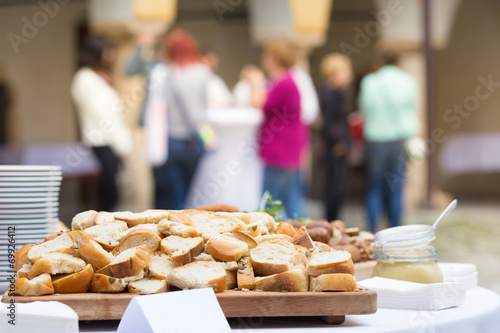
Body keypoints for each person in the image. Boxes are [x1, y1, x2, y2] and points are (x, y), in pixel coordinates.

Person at [359, 50, 419, 233]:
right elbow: (412, 107)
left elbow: (364, 108)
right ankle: (395, 230)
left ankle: (371, 229)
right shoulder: (408, 80)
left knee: (374, 186)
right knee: (396, 187)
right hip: (399, 139)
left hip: (376, 138)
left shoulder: (370, 81)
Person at [71, 35, 133, 211]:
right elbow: (102, 115)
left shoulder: (98, 78)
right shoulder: (85, 79)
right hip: (101, 140)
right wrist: (121, 144)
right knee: (109, 194)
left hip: (110, 141)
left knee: (113, 193)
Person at [153, 29, 212, 210]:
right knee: (192, 194)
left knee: (175, 194)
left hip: (172, 140)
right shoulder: (203, 72)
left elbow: (155, 108)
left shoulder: (162, 73)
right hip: (195, 139)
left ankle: (175, 231)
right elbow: (207, 106)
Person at [248, 40, 306, 219]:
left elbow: (259, 103)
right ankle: (305, 234)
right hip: (285, 147)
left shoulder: (284, 83)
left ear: (275, 58)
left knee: (271, 199)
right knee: (290, 197)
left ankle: (273, 236)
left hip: (280, 148)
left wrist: (255, 82)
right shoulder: (285, 81)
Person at [319, 53, 353, 222]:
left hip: (338, 145)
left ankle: (334, 219)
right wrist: (338, 142)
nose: (349, 74)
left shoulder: (335, 93)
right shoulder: (330, 94)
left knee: (338, 185)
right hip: (335, 147)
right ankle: (331, 221)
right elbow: (330, 122)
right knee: (334, 186)